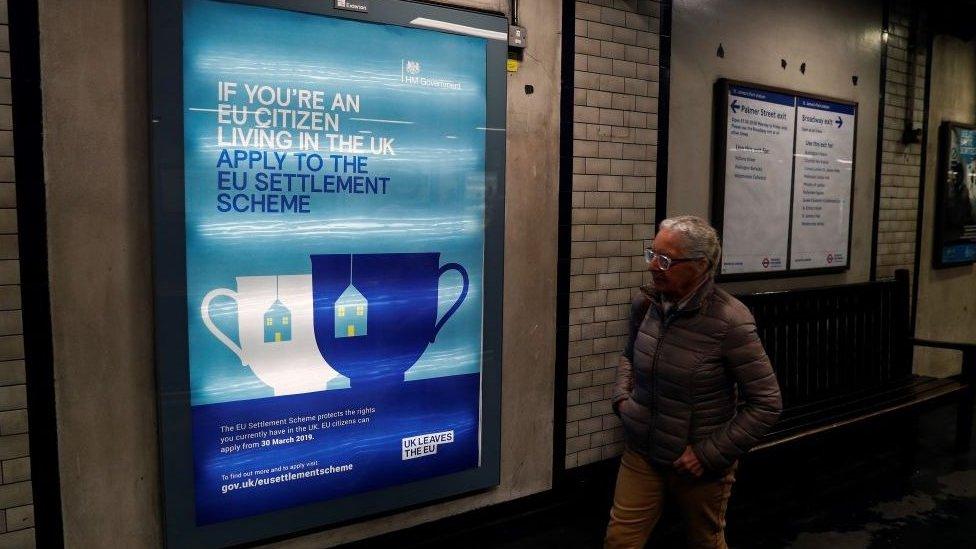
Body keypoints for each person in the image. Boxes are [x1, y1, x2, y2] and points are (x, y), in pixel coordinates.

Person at [604, 215, 782, 549]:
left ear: (700, 265)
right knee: (619, 541)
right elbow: (629, 355)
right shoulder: (647, 305)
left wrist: (707, 454)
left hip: (695, 463)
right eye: (652, 254)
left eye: (666, 259)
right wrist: (622, 401)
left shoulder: (730, 320)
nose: (654, 266)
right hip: (642, 449)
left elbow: (767, 404)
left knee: (705, 541)